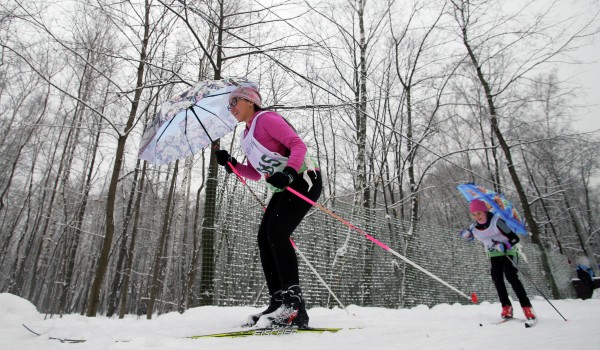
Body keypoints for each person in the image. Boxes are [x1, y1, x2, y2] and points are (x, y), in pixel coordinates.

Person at [215, 85, 321, 329]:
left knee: (276, 232)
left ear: (251, 101)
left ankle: (294, 306)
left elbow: (298, 145)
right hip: (282, 186)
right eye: (229, 105)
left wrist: (289, 173)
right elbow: (254, 173)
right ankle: (278, 301)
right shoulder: (246, 135)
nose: (231, 109)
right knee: (265, 236)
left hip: (303, 178)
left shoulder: (266, 119)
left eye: (234, 102)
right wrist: (231, 163)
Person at [459, 199, 536, 320]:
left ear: (485, 211)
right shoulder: (474, 227)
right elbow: (472, 237)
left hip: (509, 251)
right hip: (494, 254)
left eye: (479, 213)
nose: (477, 216)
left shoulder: (497, 222)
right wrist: (467, 235)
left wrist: (505, 245)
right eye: (474, 214)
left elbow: (515, 238)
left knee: (511, 275)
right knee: (496, 277)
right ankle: (506, 307)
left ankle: (527, 307)